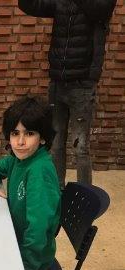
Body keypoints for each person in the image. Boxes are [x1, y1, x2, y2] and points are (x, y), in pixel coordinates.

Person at [18, 0, 117, 188]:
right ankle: (57, 191)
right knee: (56, 144)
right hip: (58, 82)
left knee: (81, 147)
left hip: (82, 84)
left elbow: (101, 11)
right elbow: (31, 6)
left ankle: (84, 195)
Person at [0, 96, 61, 270]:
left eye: (29, 133)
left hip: (30, 260)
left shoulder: (39, 172)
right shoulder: (18, 159)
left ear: (43, 138)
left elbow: (38, 230)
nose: (20, 142)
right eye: (15, 133)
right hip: (13, 239)